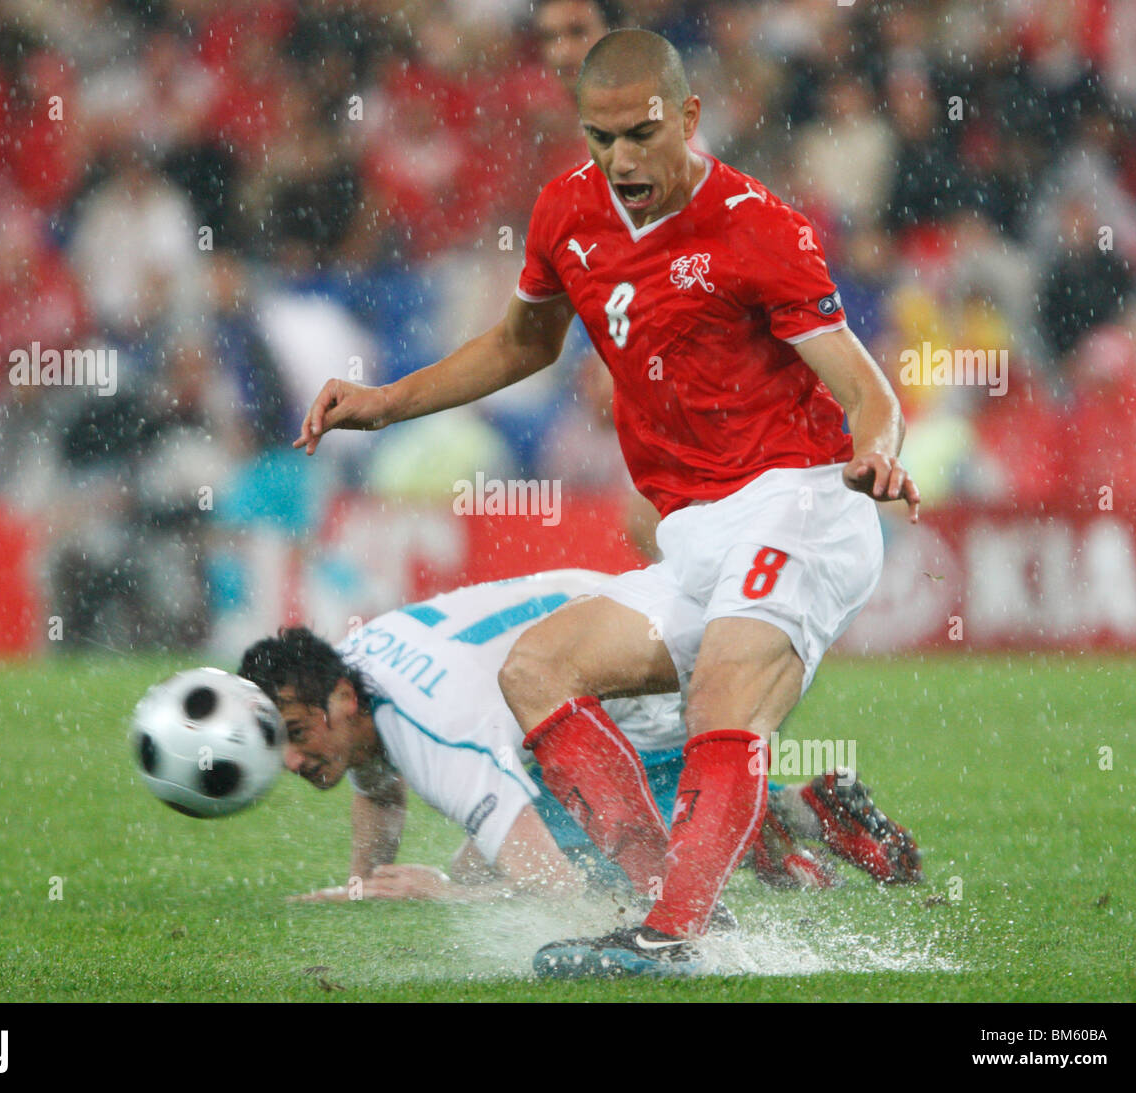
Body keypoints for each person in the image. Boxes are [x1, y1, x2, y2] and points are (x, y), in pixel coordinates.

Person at [294, 29, 920, 976]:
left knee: (721, 690)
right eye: (601, 138)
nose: (622, 160)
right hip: (696, 535)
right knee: (536, 667)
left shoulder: (761, 226)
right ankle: (647, 899)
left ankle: (673, 933)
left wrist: (876, 454)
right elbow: (520, 345)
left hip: (799, 504)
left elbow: (869, 392)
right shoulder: (566, 214)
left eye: (641, 134)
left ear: (690, 117)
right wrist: (384, 402)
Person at [238, 570, 921, 904]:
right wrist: (365, 885)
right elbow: (379, 786)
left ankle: (787, 816)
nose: (291, 759)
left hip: (639, 684)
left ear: (341, 700)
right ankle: (789, 815)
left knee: (602, 878)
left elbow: (556, 892)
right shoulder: (355, 674)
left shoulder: (432, 729)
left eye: (295, 735)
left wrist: (438, 891)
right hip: (610, 645)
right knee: (491, 859)